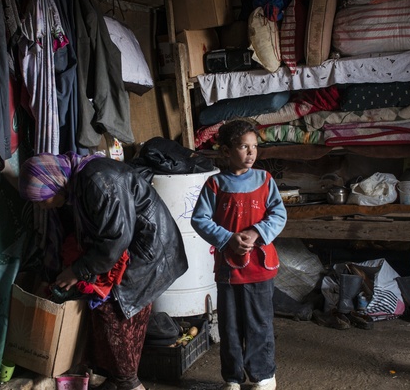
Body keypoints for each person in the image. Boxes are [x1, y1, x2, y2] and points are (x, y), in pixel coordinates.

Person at [19, 152, 188, 390]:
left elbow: (115, 240)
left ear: (53, 184)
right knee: (113, 314)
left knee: (111, 311)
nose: (40, 207)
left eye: (40, 200)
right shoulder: (80, 182)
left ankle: (130, 384)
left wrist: (77, 270)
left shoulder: (97, 181)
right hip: (133, 249)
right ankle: (118, 379)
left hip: (147, 251)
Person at [191, 120, 287, 390]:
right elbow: (200, 219)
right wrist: (228, 239)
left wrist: (256, 233)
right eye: (244, 147)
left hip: (260, 267)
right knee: (230, 326)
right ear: (226, 151)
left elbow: (279, 214)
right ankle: (232, 378)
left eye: (254, 146)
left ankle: (263, 376)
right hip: (229, 269)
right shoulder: (215, 184)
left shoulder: (265, 180)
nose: (251, 152)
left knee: (259, 323)